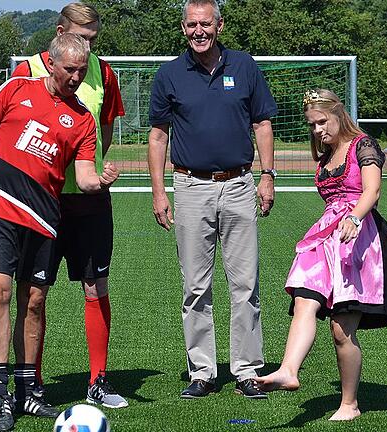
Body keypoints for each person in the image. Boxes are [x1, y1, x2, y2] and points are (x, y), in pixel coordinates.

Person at [0, 33, 118, 432]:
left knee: (33, 303)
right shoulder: (16, 88)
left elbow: (83, 176)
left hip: (44, 217)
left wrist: (101, 179)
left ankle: (28, 390)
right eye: (69, 69)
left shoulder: (82, 119)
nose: (76, 77)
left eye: (82, 70)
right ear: (52, 63)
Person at [255, 89, 387, 421]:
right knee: (303, 299)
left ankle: (349, 404)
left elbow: (372, 189)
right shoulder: (324, 157)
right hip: (325, 238)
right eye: (311, 125)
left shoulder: (363, 145)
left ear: (338, 114)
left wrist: (354, 217)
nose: (317, 131)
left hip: (359, 237)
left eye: (321, 122)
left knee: (341, 329)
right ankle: (288, 369)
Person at [147, 0, 277, 399]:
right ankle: (201, 371)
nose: (198, 31)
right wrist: (158, 191)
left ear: (220, 25)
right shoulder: (169, 74)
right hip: (190, 188)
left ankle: (247, 370)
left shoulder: (245, 66)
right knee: (195, 287)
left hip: (239, 185)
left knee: (245, 285)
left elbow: (262, 122)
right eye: (191, 24)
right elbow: (157, 135)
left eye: (206, 24)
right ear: (184, 27)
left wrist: (267, 176)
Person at [11, 2, 128, 409]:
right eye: (82, 37)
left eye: (95, 39)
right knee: (34, 293)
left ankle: (98, 380)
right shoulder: (26, 71)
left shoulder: (104, 72)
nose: (89, 47)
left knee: (96, 285)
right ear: (60, 32)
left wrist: (92, 170)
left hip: (91, 200)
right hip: (40, 202)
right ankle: (31, 382)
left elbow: (106, 126)